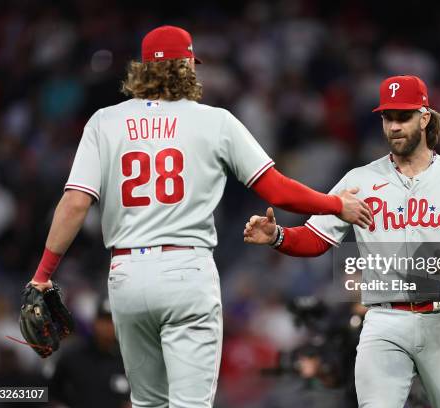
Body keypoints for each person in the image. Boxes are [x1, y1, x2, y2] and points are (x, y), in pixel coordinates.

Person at [26, 25, 372, 408]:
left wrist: (43, 275)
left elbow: (75, 203)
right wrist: (334, 204)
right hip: (185, 269)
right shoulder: (214, 121)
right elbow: (276, 190)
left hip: (125, 273)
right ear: (187, 66)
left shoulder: (104, 122)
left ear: (143, 69)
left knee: (147, 404)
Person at [243, 75, 440, 407]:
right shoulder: (359, 180)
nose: (394, 126)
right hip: (384, 320)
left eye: (403, 116)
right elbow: (315, 239)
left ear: (425, 118)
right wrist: (277, 236)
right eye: (387, 117)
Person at [49, 298, 130, 408]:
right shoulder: (72, 356)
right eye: (105, 320)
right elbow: (50, 391)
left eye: (113, 321)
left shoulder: (128, 360)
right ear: (95, 322)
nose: (108, 327)